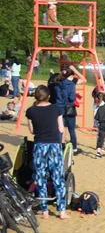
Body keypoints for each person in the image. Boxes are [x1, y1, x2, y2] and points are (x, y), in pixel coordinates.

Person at [24, 85, 67, 219]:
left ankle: (45, 211)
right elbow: (61, 129)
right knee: (57, 176)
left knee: (40, 177)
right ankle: (62, 211)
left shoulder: (31, 111)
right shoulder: (56, 109)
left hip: (40, 145)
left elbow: (31, 130)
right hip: (54, 144)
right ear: (48, 96)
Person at [51, 65, 83, 154]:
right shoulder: (71, 84)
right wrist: (75, 70)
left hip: (58, 107)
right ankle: (74, 148)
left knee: (60, 129)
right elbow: (72, 97)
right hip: (69, 108)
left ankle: (59, 146)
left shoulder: (57, 83)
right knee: (71, 129)